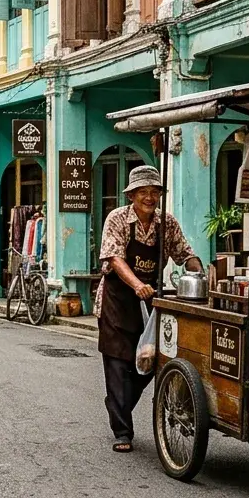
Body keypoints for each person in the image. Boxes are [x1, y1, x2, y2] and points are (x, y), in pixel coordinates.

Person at [96, 165, 202, 453]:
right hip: (118, 301)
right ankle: (122, 431)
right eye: (143, 192)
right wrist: (136, 285)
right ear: (132, 195)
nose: (149, 197)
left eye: (154, 192)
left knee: (148, 362)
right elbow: (115, 259)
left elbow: (185, 254)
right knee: (118, 364)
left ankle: (117, 403)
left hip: (150, 302)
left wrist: (200, 272)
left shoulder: (166, 223)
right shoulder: (117, 219)